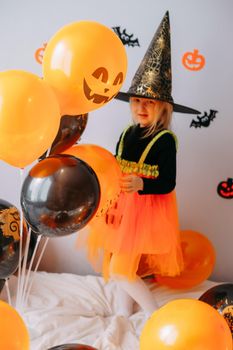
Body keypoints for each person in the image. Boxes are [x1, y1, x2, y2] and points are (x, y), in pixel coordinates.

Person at [84, 11, 200, 318]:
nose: (141, 107)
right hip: (120, 208)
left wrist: (142, 183)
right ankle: (123, 311)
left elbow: (168, 182)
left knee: (121, 269)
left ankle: (154, 313)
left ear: (163, 107)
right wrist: (107, 206)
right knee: (119, 265)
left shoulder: (164, 140)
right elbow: (112, 173)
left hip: (145, 212)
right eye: (137, 101)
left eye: (149, 102)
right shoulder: (126, 134)